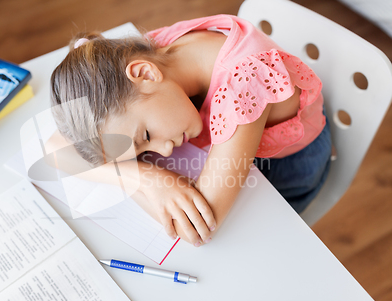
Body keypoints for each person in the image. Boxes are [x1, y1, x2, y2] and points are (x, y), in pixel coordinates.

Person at [48, 15, 332, 247]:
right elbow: (53, 148)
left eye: (145, 137)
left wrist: (125, 176)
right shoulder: (142, 61)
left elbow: (198, 226)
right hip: (227, 144)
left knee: (249, 245)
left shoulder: (243, 83)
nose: (163, 149)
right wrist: (147, 178)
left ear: (145, 74)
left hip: (285, 166)